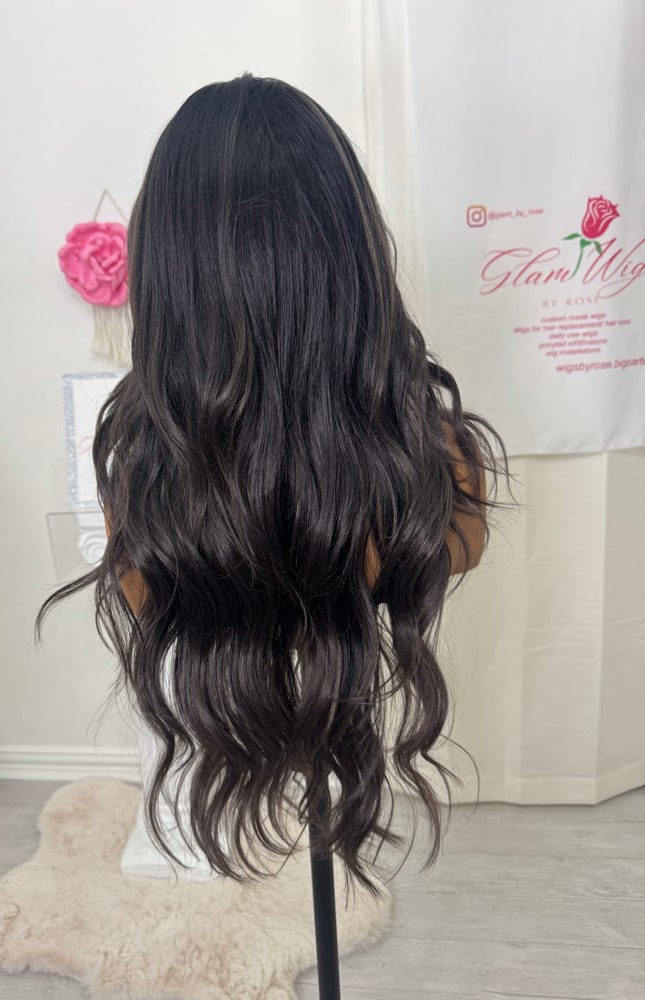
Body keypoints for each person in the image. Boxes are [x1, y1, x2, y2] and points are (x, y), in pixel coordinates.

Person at [36, 72, 510, 894]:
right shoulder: (431, 459)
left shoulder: (145, 480)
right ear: (352, 250)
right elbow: (462, 544)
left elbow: (146, 598)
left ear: (169, 270)